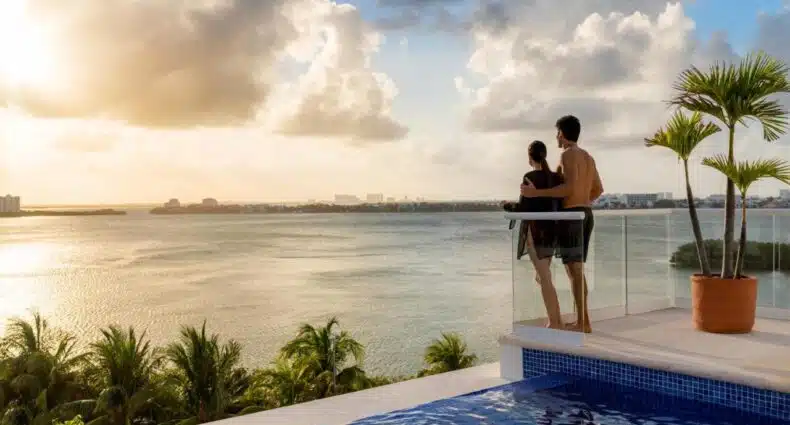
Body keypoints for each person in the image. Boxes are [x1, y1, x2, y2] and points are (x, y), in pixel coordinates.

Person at [520, 115, 603, 333]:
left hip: (572, 215)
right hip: (586, 214)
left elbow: (567, 188)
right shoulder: (588, 157)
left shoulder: (568, 154)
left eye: (557, 132)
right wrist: (583, 200)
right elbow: (598, 190)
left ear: (562, 134)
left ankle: (583, 323)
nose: (556, 137)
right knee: (577, 270)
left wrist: (537, 193)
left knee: (574, 270)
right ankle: (583, 321)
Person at [503, 140, 564, 329]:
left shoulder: (529, 176)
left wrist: (507, 205)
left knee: (544, 278)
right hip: (552, 232)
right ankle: (554, 318)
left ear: (530, 157)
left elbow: (523, 208)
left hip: (535, 232)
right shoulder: (555, 177)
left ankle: (555, 322)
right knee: (542, 276)